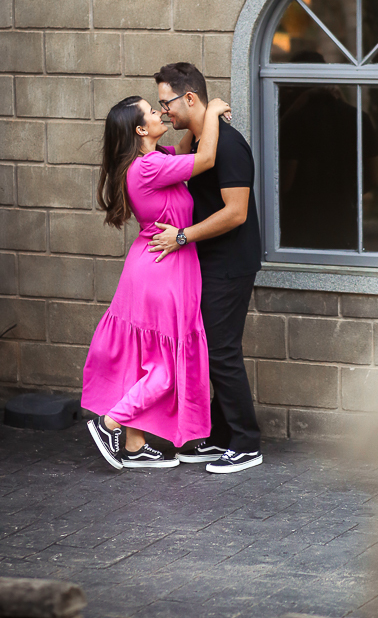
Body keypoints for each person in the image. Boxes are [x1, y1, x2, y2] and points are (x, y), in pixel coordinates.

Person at [82, 93, 231, 470]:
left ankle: (133, 446)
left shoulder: (156, 158)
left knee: (147, 358)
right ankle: (109, 424)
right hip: (161, 270)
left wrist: (186, 113)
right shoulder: (147, 168)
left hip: (155, 266)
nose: (160, 112)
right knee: (165, 366)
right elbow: (206, 158)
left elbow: (185, 144)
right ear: (140, 129)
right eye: (153, 111)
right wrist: (211, 109)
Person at [150, 63, 263, 475]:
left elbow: (235, 213)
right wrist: (208, 115)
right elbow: (179, 161)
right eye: (160, 106)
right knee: (211, 351)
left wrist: (182, 236)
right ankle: (222, 436)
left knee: (223, 352)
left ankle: (247, 442)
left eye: (168, 104)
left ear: (190, 98)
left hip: (230, 263)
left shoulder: (229, 147)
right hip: (209, 262)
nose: (164, 113)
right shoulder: (199, 139)